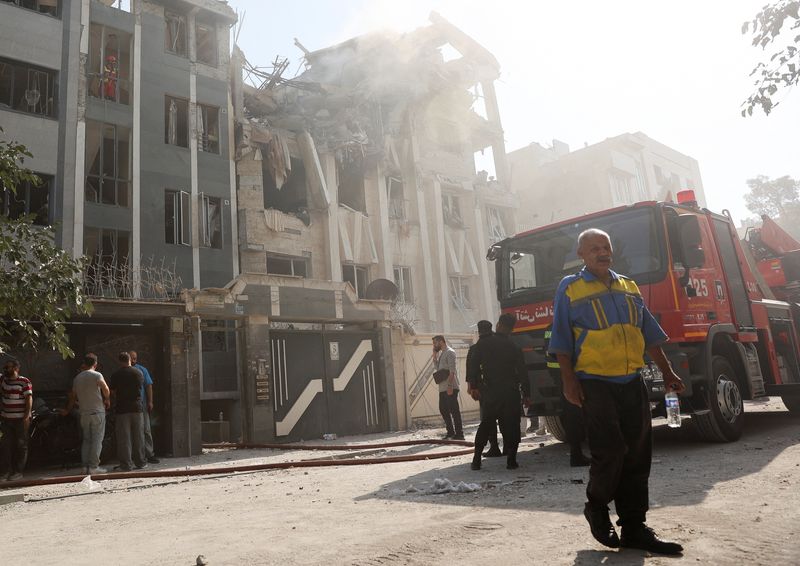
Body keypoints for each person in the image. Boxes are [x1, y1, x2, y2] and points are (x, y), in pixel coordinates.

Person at [548, 228, 685, 555]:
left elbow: (648, 332)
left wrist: (667, 372)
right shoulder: (570, 288)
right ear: (581, 254)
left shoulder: (629, 286)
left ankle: (634, 527)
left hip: (631, 380)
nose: (602, 252)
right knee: (610, 449)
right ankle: (596, 506)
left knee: (638, 453)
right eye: (594, 248)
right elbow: (562, 339)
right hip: (594, 382)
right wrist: (568, 380)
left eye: (606, 246)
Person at [467, 313, 530, 470]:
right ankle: (511, 460)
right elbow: (523, 372)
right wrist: (527, 394)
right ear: (512, 329)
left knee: (486, 424)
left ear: (499, 325)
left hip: (491, 392)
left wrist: (473, 386)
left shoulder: (484, 343)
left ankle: (476, 460)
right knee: (512, 425)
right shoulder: (514, 347)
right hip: (510, 392)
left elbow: (473, 364)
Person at [62, 353, 111, 474]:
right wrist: (107, 399)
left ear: (84, 363)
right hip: (97, 412)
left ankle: (85, 467)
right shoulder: (97, 375)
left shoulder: (77, 378)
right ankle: (94, 467)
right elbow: (105, 388)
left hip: (84, 413)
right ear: (95, 364)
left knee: (87, 440)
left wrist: (68, 410)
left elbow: (73, 397)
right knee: (97, 440)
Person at [466, 320, 502, 457]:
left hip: (485, 389)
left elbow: (471, 368)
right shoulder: (501, 345)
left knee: (488, 419)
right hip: (503, 387)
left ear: (479, 331)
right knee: (505, 418)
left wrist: (472, 387)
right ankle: (510, 452)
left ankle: (493, 447)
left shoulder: (476, 348)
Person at [108, 352, 146, 471]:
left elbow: (112, 392)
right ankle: (140, 462)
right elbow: (141, 387)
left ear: (120, 361)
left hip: (122, 409)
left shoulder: (116, 375)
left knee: (124, 438)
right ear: (130, 360)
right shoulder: (139, 372)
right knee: (139, 436)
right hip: (137, 408)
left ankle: (126, 464)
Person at [0, 359, 32, 481]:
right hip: (6, 419)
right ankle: (5, 472)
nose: (6, 370)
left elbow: (29, 399)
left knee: (21, 445)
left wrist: (26, 416)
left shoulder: (24, 382)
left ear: (16, 368)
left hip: (20, 419)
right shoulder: (3, 380)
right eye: (5, 367)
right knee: (5, 445)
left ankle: (18, 471)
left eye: (9, 367)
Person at [432, 335, 464, 440]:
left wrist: (450, 386)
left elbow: (452, 371)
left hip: (450, 387)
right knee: (443, 409)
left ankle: (459, 434)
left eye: (435, 343)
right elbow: (438, 369)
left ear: (441, 341)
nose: (434, 345)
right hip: (442, 387)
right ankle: (450, 432)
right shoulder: (442, 353)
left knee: (454, 410)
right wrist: (434, 357)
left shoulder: (450, 352)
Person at [129, 350, 159, 464]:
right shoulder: (123, 371)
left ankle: (149, 454)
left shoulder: (142, 370)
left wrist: (150, 401)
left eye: (135, 358)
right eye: (131, 358)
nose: (133, 360)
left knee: (146, 429)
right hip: (130, 407)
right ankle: (136, 455)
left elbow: (148, 385)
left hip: (142, 404)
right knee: (133, 431)